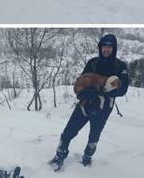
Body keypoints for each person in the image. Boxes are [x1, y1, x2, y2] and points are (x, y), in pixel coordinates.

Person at [50, 34, 129, 170]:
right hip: (85, 104)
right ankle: (60, 154)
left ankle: (87, 157)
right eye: (104, 46)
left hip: (103, 108)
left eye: (110, 46)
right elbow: (81, 80)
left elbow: (123, 89)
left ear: (114, 48)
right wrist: (83, 93)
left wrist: (102, 92)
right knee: (69, 131)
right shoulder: (93, 62)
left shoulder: (120, 66)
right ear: (100, 47)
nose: (106, 49)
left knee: (94, 136)